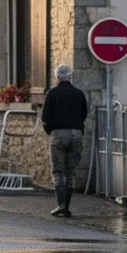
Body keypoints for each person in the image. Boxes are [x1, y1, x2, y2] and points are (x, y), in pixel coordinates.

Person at [41, 63, 89, 217]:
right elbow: (84, 114)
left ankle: (61, 204)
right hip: (76, 133)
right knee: (71, 171)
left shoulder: (52, 93)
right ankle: (66, 205)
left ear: (56, 77)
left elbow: (45, 117)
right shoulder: (79, 93)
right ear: (70, 76)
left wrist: (50, 130)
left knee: (58, 169)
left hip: (58, 134)